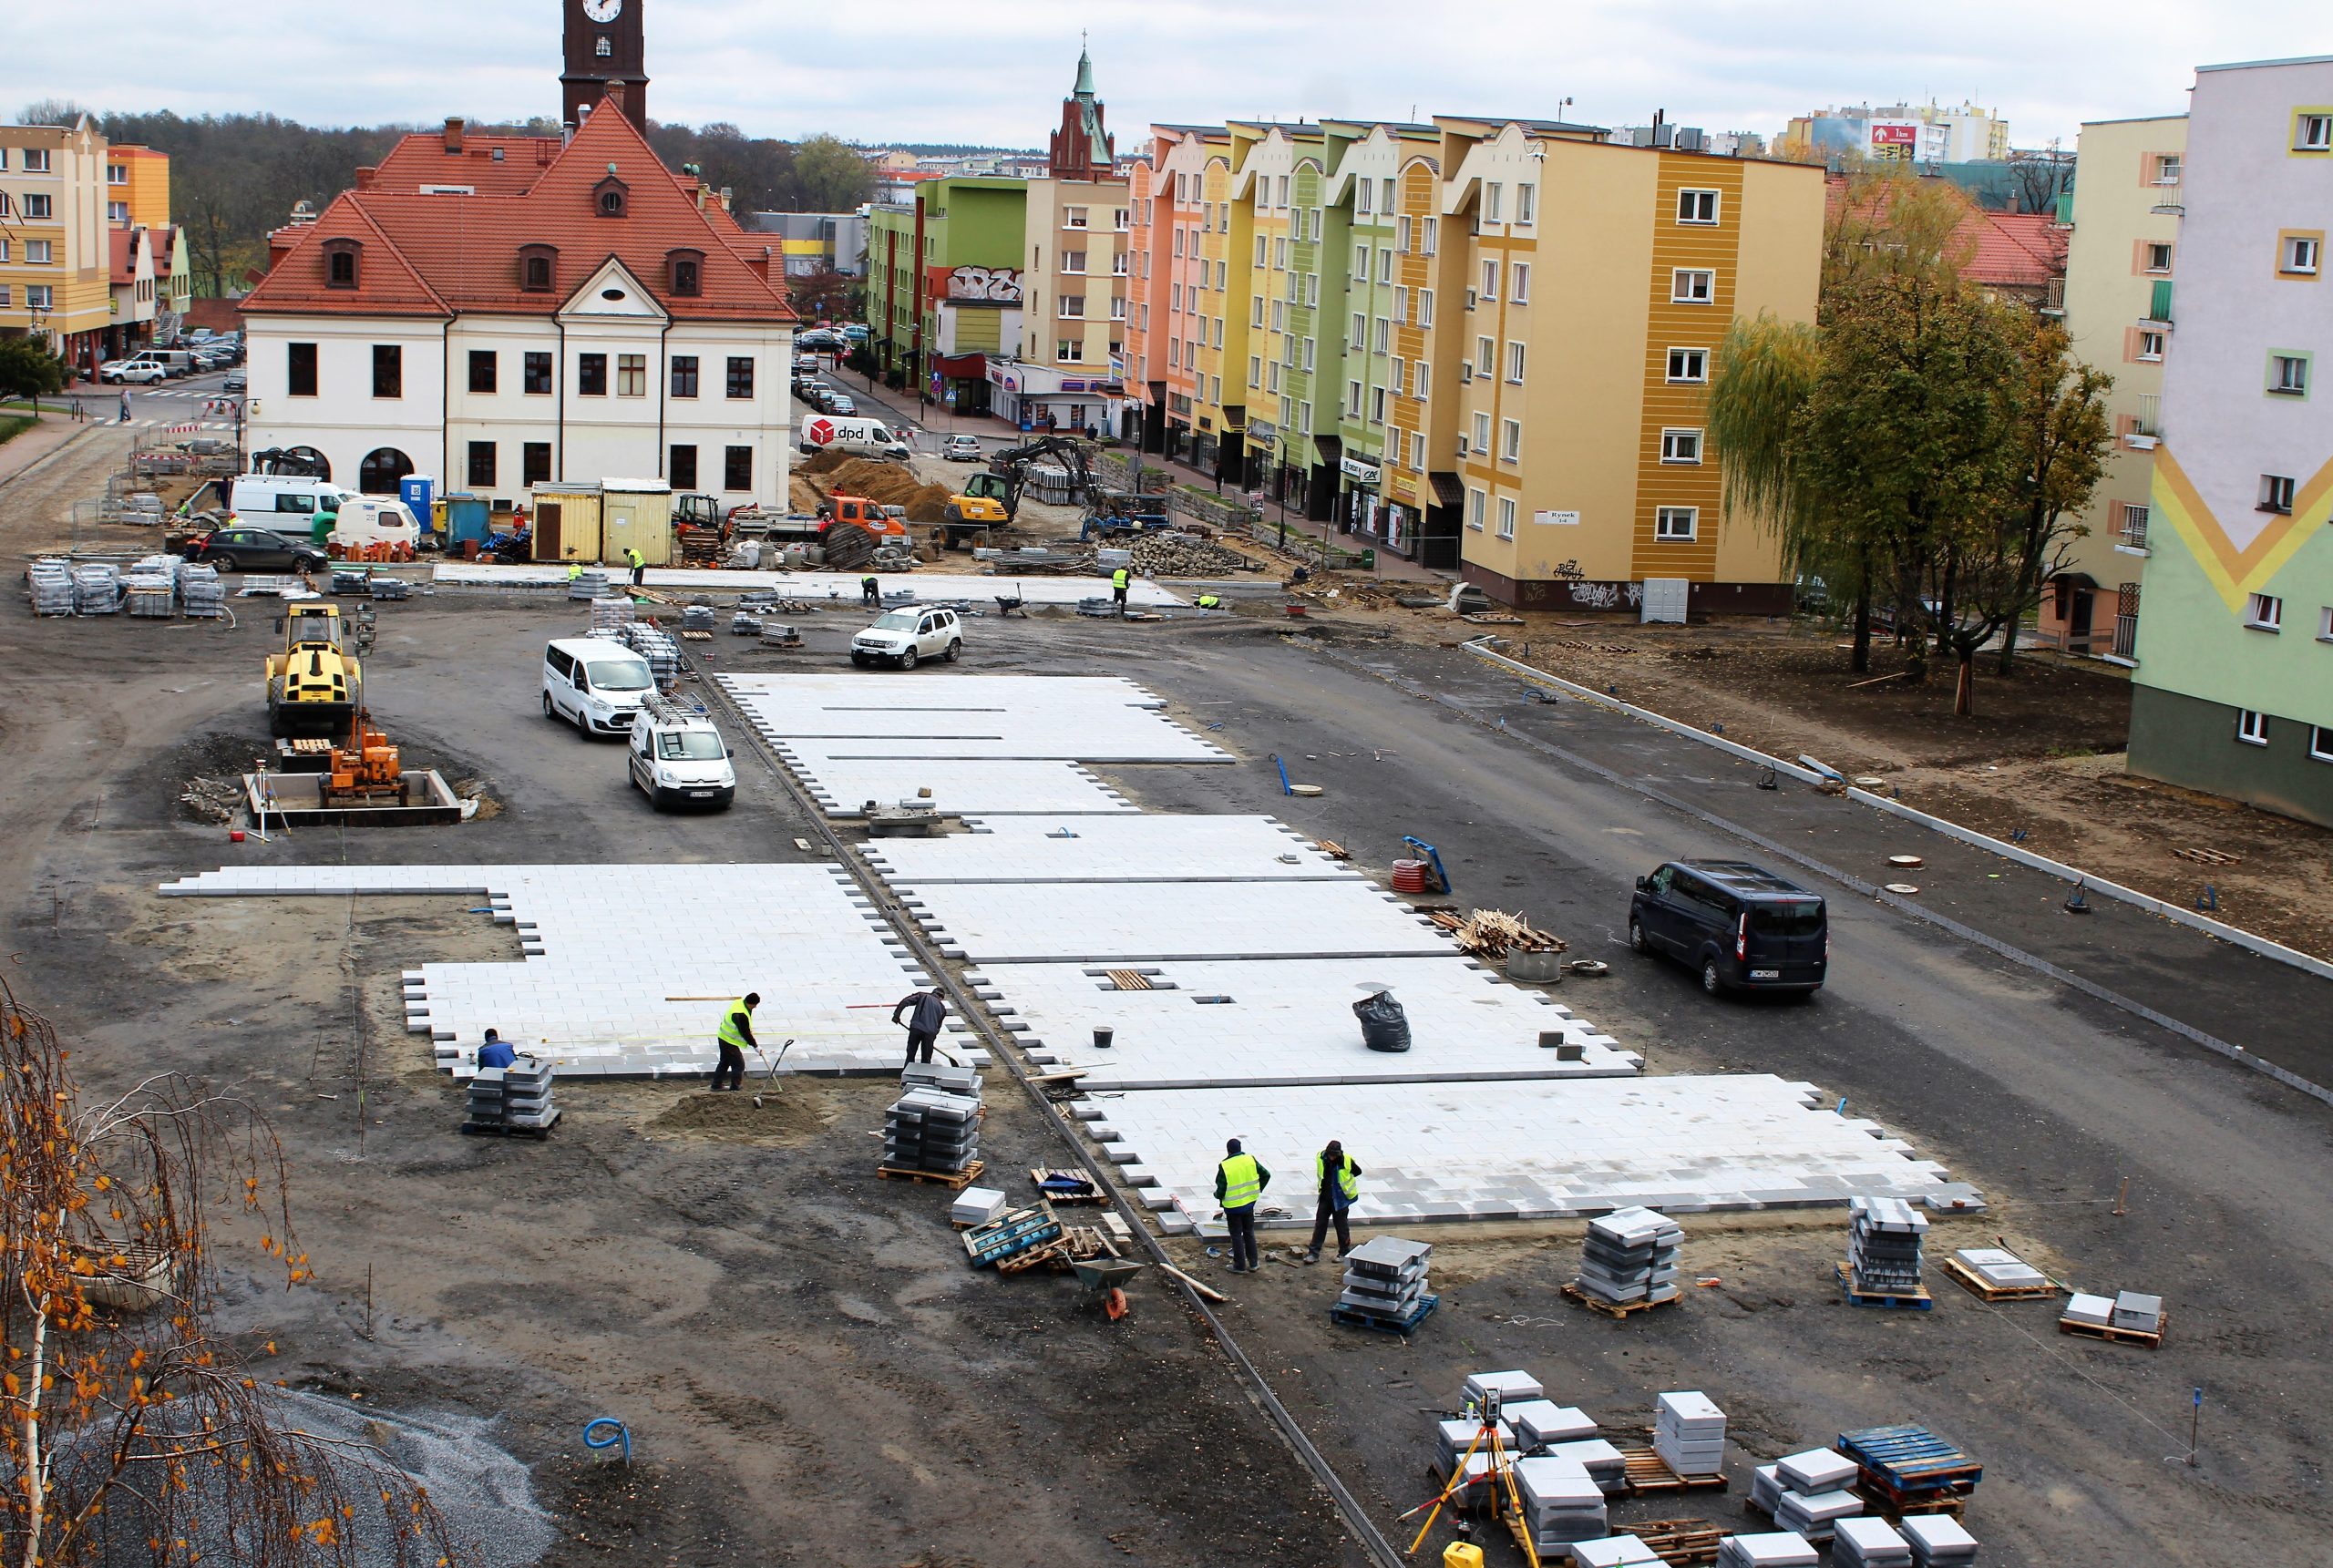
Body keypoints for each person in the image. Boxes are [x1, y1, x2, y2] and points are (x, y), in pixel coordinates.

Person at [1215, 1138, 1269, 1273]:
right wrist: (1257, 1189)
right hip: (1249, 1204)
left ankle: (1239, 1266)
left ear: (1228, 1150)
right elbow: (1266, 1174)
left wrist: (1217, 1195)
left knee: (1236, 1235)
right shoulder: (1250, 1159)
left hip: (1233, 1207)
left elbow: (1221, 1189)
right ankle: (1254, 1263)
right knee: (1249, 1232)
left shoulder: (1225, 1166)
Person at [1305, 1140, 1362, 1263]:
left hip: (1340, 1200)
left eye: (1334, 1156)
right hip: (1325, 1198)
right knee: (1320, 1225)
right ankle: (1313, 1253)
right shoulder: (1321, 1157)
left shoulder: (1346, 1160)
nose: (1331, 1158)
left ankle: (1344, 1252)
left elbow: (1357, 1171)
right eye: (1330, 1155)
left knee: (1342, 1227)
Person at [890, 985, 947, 1067]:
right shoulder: (942, 1008)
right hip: (930, 1033)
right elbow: (938, 1027)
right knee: (926, 1059)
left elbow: (905, 1001)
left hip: (916, 1029)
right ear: (941, 997)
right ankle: (924, 1077)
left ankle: (907, 1076)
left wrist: (897, 1015)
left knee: (911, 1054)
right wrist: (931, 1040)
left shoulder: (922, 996)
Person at [713, 992, 758, 1092]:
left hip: (723, 1036)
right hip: (729, 1040)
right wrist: (755, 1046)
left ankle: (716, 1084)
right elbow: (745, 1032)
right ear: (751, 1003)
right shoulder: (741, 1014)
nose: (755, 1007)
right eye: (755, 1005)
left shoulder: (739, 1003)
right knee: (739, 1064)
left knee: (725, 1061)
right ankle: (735, 1087)